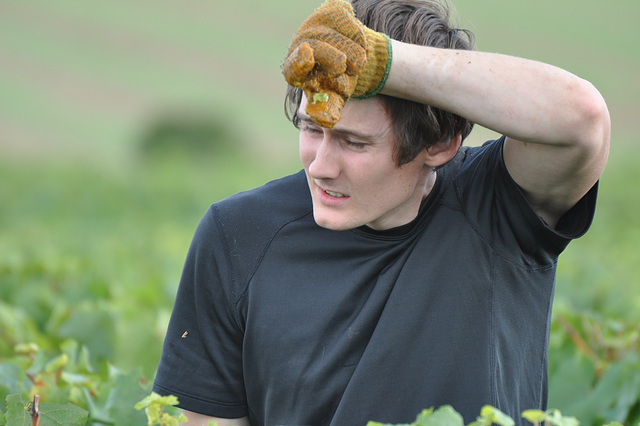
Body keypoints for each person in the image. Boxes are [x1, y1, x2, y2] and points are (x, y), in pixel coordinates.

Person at [152, 0, 610, 424]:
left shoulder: (496, 209)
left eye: (355, 142)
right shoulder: (238, 235)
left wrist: (385, 63)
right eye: (312, 129)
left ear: (440, 144)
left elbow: (582, 120)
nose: (320, 167)